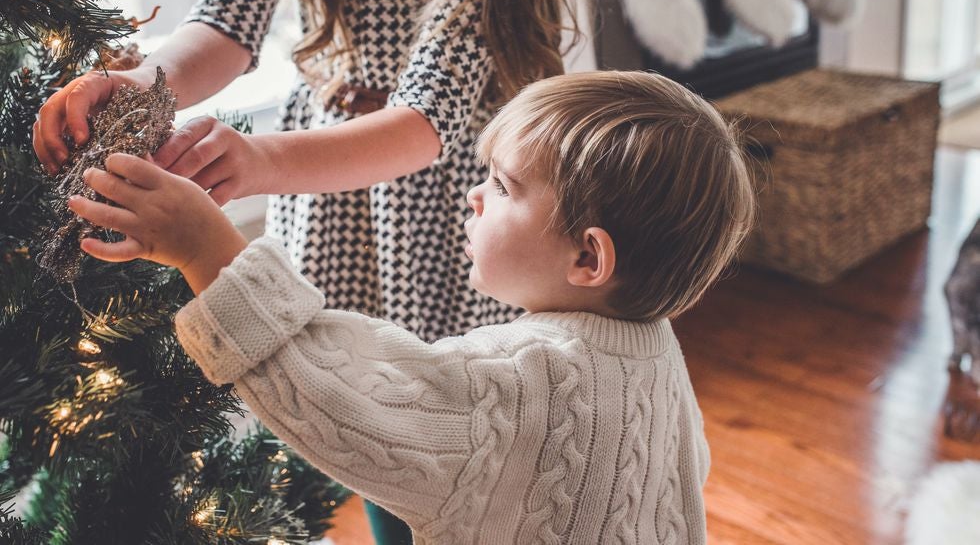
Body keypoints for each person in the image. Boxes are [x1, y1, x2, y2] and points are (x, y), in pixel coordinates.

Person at [34, 0, 591, 539]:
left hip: (435, 217)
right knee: (331, 402)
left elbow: (424, 123)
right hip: (327, 210)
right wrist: (146, 82)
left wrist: (262, 159)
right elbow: (227, 25)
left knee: (423, 432)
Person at [67, 70, 756, 544]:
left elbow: (331, 391)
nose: (474, 196)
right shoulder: (655, 350)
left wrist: (204, 248)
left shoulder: (524, 378)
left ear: (588, 259)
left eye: (504, 186)